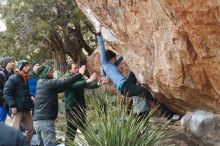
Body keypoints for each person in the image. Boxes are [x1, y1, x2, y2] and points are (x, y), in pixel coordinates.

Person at [96, 25, 175, 119]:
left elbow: (120, 59)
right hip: (125, 87)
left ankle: (140, 77)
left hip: (126, 85)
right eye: (114, 58)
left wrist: (126, 51)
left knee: (134, 72)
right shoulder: (105, 63)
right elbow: (101, 47)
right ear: (110, 58)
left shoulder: (111, 66)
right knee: (146, 93)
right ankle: (168, 115)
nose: (115, 60)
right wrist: (98, 31)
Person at [33, 64, 86, 146]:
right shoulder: (48, 82)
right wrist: (80, 74)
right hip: (45, 122)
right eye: (51, 71)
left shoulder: (41, 83)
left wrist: (87, 82)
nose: (53, 72)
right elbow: (65, 82)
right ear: (46, 73)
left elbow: (64, 86)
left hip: (38, 121)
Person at [64, 62, 109, 145]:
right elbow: (74, 85)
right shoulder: (67, 77)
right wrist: (88, 80)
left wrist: (99, 83)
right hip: (71, 109)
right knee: (71, 131)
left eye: (77, 68)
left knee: (85, 129)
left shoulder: (78, 77)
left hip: (80, 107)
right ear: (69, 70)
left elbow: (87, 84)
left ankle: (93, 143)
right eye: (75, 68)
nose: (77, 69)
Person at [3, 60, 34, 143]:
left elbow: (24, 93)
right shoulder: (14, 78)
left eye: (28, 66)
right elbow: (6, 92)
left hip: (26, 110)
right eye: (26, 66)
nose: (28, 67)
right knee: (14, 132)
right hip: (17, 110)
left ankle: (24, 144)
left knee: (31, 129)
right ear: (21, 67)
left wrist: (30, 97)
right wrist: (12, 105)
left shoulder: (26, 78)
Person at [0, 57, 15, 123]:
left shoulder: (13, 74)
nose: (12, 63)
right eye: (10, 62)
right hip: (2, 103)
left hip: (11, 102)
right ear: (5, 64)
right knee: (2, 122)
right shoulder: (1, 74)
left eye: (13, 62)